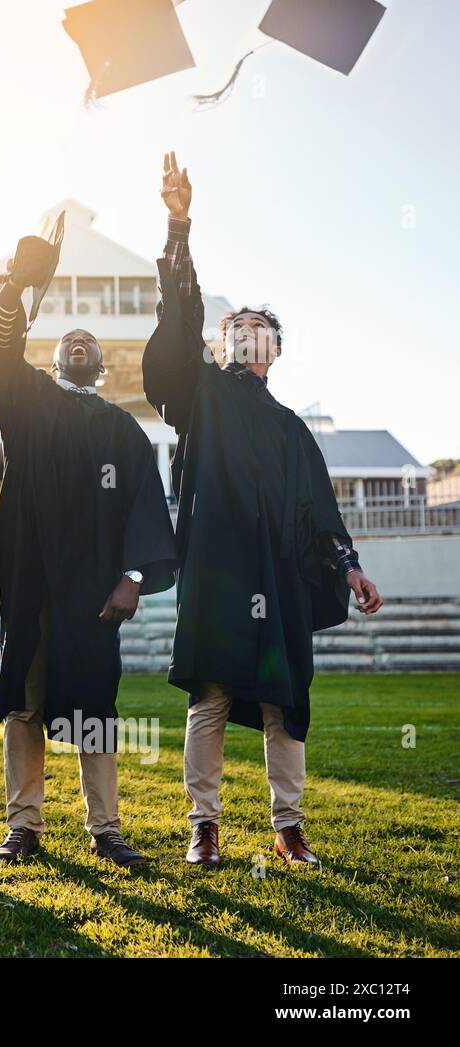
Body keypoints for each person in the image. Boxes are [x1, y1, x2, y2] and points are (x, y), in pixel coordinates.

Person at [142, 153, 384, 868]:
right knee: (210, 695)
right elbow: (179, 324)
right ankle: (204, 826)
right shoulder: (203, 399)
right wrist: (179, 225)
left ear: (275, 350)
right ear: (223, 344)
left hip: (276, 577)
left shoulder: (292, 430)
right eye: (235, 325)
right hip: (218, 571)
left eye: (260, 327)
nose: (246, 331)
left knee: (285, 700)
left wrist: (350, 567)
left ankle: (288, 827)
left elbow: (321, 515)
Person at [0, 227, 179, 867]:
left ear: (102, 362)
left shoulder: (125, 431)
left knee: (95, 710)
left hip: (93, 594)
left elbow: (147, 511)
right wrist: (17, 281)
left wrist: (135, 578)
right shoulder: (30, 402)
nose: (79, 342)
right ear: (56, 361)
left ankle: (106, 830)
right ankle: (23, 827)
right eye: (67, 341)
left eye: (87, 341)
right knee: (25, 707)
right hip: (31, 583)